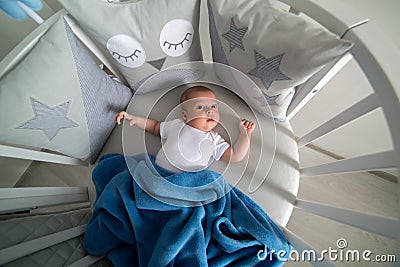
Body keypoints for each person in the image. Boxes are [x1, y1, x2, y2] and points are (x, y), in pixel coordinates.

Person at [115, 86, 255, 173]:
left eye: (213, 107)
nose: (209, 111)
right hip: (158, 172)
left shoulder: (213, 139)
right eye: (200, 107)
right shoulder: (176, 125)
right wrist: (133, 118)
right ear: (185, 115)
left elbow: (235, 155)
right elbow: (154, 126)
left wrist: (245, 134)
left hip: (185, 182)